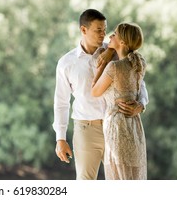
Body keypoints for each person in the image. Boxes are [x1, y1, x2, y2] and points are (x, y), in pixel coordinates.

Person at [52, 9, 148, 180]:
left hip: (118, 129)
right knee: (86, 183)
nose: (103, 35)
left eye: (105, 30)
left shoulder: (116, 51)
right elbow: (61, 102)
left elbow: (139, 83)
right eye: (98, 30)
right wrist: (60, 138)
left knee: (121, 181)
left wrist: (141, 105)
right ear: (83, 30)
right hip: (86, 129)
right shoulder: (66, 63)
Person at [91, 22, 147, 179]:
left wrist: (102, 64)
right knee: (134, 175)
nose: (110, 36)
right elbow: (140, 89)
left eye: (114, 34)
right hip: (135, 125)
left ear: (122, 42)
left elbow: (95, 91)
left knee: (118, 176)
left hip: (117, 126)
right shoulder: (140, 63)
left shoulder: (114, 67)